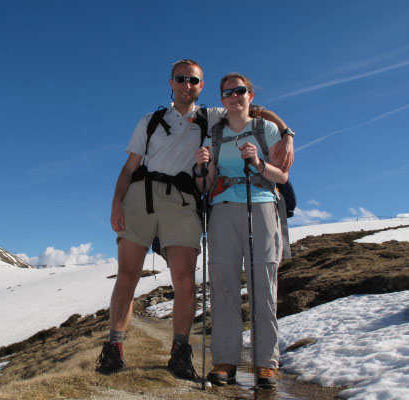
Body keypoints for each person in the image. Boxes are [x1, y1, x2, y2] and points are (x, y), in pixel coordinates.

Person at [96, 60, 293, 380]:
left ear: (201, 87)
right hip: (141, 198)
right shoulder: (150, 120)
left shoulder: (211, 116)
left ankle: (181, 351)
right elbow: (130, 166)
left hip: (183, 200)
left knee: (185, 279)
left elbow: (256, 110)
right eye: (181, 79)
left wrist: (286, 133)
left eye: (194, 81)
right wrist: (116, 204)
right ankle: (114, 347)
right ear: (171, 83)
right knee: (127, 275)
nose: (187, 85)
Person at [195, 73, 294, 389]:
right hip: (223, 208)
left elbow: (282, 176)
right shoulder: (215, 134)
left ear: (250, 95)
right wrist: (202, 167)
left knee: (263, 284)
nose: (234, 96)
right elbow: (206, 183)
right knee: (222, 285)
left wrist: (258, 164)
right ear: (222, 99)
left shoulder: (266, 129)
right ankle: (225, 361)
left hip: (262, 205)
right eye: (228, 92)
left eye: (240, 91)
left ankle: (266, 364)